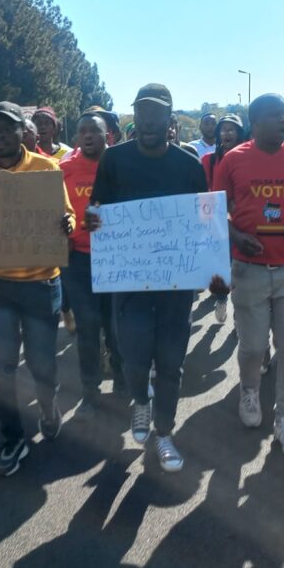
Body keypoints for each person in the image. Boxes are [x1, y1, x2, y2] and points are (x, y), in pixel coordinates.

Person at [88, 83, 208, 472]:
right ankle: (141, 400)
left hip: (176, 286)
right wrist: (92, 216)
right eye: (141, 116)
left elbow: (201, 221)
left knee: (171, 364)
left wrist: (214, 259)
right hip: (129, 283)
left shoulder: (189, 165)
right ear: (133, 119)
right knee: (134, 359)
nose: (148, 123)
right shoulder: (114, 161)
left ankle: (165, 433)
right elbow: (97, 206)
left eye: (156, 117)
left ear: (170, 122)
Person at [0, 101, 75, 477]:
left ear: (23, 131)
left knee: (42, 363)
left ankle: (47, 404)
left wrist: (67, 224)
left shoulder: (46, 169)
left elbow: (66, 212)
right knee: (2, 367)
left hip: (41, 284)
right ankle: (12, 439)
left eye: (7, 127)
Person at [213, 93, 284, 456]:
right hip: (249, 270)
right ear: (255, 122)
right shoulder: (233, 160)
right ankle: (249, 391)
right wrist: (235, 235)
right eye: (276, 115)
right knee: (253, 346)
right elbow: (212, 209)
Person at [60, 114, 123, 417]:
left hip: (116, 259)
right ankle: (90, 392)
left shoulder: (122, 169)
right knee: (87, 328)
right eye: (82, 131)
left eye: (94, 131)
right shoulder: (63, 170)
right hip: (78, 260)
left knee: (116, 328)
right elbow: (52, 211)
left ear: (107, 136)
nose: (87, 136)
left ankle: (124, 387)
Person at [201, 113, 246, 323]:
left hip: (243, 222)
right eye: (223, 129)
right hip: (217, 224)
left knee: (242, 269)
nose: (227, 133)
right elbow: (204, 192)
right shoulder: (209, 160)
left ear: (240, 133)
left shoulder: (250, 159)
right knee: (220, 267)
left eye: (232, 128)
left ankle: (240, 313)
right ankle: (221, 299)